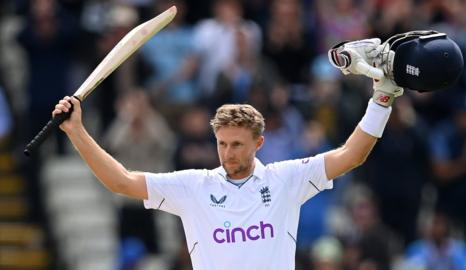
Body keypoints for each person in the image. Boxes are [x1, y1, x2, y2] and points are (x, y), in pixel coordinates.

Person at [51, 40, 401, 269]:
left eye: (236, 145)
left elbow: (352, 154)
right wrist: (76, 132)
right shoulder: (194, 186)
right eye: (221, 143)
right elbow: (121, 181)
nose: (227, 152)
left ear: (258, 144)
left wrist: (381, 100)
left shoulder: (287, 178)